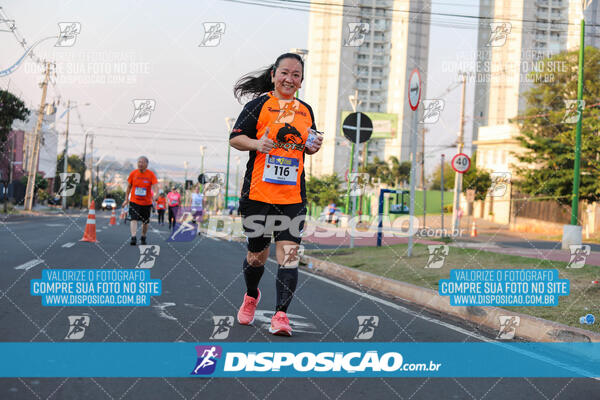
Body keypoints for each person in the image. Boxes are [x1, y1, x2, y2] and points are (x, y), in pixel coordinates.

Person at [229, 53, 323, 336]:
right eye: (285, 73)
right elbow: (235, 138)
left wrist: (313, 146)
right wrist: (258, 143)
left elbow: (309, 143)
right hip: (258, 193)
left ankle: (281, 315)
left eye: (296, 75)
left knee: (289, 255)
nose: (289, 79)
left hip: (292, 197)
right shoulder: (257, 105)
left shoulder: (305, 110)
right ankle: (251, 295)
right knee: (257, 255)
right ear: (273, 74)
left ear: (301, 81)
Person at [123, 156, 158, 245]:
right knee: (133, 219)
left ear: (146, 164)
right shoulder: (133, 173)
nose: (140, 164)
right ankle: (133, 237)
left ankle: (143, 236)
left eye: (142, 162)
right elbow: (128, 187)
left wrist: (156, 195)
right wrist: (126, 200)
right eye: (139, 162)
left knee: (145, 221)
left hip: (146, 203)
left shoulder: (151, 174)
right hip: (134, 201)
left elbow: (155, 187)